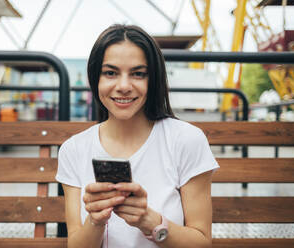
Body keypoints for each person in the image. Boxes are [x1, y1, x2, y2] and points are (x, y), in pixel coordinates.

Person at [56, 24, 219, 248]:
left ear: (153, 80)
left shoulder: (187, 140)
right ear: (96, 78)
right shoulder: (73, 150)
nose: (124, 86)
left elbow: (202, 242)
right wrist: (95, 220)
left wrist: (150, 222)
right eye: (110, 73)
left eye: (138, 74)